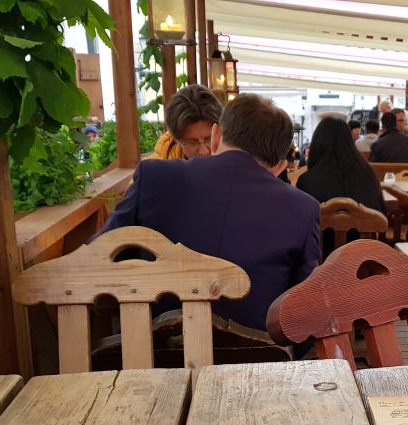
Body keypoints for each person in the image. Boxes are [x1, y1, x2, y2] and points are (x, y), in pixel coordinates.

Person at [99, 94, 320, 332]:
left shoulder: (154, 177)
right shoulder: (303, 209)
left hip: (151, 354)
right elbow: (304, 311)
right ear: (279, 167)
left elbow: (99, 258)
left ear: (215, 137)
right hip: (258, 360)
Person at [297, 117, 385, 255]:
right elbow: (381, 216)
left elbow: (301, 228)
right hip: (365, 263)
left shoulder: (307, 180)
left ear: (317, 143)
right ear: (349, 141)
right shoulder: (368, 174)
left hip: (319, 266)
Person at [151, 84, 222, 160]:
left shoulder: (234, 159)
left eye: (209, 139)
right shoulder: (161, 165)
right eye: (193, 142)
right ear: (177, 140)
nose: (204, 151)